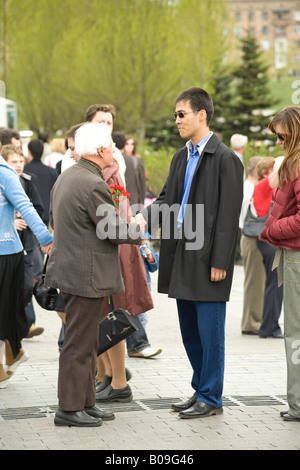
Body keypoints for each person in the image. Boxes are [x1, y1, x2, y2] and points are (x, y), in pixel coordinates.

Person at [141, 87, 244, 418]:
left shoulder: (226, 159)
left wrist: (220, 261)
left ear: (202, 115)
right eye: (174, 115)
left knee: (210, 332)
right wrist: (143, 216)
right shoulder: (180, 156)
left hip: (208, 258)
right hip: (180, 254)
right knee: (189, 330)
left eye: (181, 114)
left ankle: (212, 398)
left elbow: (229, 216)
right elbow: (166, 199)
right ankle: (201, 388)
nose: (176, 121)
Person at [44, 122, 145, 427]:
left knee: (87, 342)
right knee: (79, 344)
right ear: (101, 150)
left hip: (75, 272)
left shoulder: (71, 175)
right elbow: (112, 229)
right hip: (84, 275)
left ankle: (85, 403)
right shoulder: (92, 182)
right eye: (111, 146)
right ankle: (70, 409)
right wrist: (137, 228)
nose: (115, 149)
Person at [95, 156, 154, 404]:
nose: (72, 153)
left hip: (115, 250)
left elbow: (118, 219)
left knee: (114, 313)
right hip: (105, 251)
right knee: (101, 314)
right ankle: (106, 375)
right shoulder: (92, 169)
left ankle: (117, 380)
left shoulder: (113, 170)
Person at [260, 106, 300, 422]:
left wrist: (273, 229)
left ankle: (298, 404)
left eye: (281, 135)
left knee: (295, 333)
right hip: (292, 255)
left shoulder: (297, 164)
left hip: (296, 257)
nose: (277, 142)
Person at [0, 153, 52, 388]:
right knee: (7, 311)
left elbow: (27, 207)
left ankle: (7, 362)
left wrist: (45, 238)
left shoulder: (5, 173)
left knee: (5, 310)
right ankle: (14, 353)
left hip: (6, 252)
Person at [1, 144, 45, 339]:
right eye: (14, 162)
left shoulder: (17, 179)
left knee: (26, 287)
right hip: (10, 246)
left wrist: (45, 237)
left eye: (21, 161)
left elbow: (32, 208)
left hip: (17, 247)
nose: (18, 165)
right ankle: (20, 335)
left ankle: (21, 328)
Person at [252, 157, 283, 339]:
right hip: (269, 240)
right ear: (266, 172)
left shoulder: (269, 188)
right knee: (275, 283)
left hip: (268, 239)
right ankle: (269, 327)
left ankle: (270, 325)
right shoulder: (264, 186)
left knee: (275, 283)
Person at [240, 157, 266, 335]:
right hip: (252, 237)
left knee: (256, 280)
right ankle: (251, 322)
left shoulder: (245, 187)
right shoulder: (250, 189)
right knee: (255, 281)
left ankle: (255, 319)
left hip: (249, 236)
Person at [126, 238, 162, 358]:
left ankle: (136, 344)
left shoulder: (144, 249)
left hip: (143, 290)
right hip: (131, 290)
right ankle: (134, 344)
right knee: (136, 317)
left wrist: (149, 256)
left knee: (142, 318)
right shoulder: (129, 247)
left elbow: (154, 266)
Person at [85, 104, 127, 186]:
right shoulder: (75, 152)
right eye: (100, 122)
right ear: (88, 124)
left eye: (109, 123)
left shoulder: (117, 154)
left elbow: (122, 188)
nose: (105, 126)